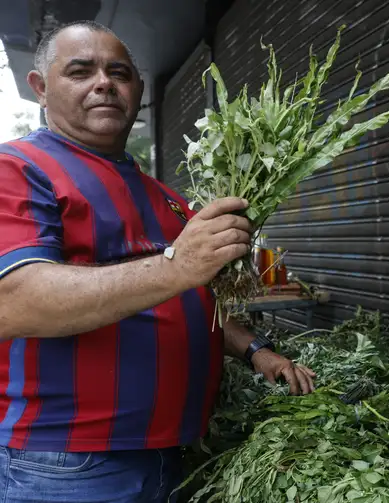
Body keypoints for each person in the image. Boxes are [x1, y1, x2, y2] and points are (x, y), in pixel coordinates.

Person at [0, 20, 316, 502]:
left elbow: (188, 298)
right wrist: (176, 265)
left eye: (119, 73)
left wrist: (256, 350)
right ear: (40, 88)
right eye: (80, 71)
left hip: (173, 454)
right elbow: (16, 300)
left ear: (139, 90)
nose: (104, 83)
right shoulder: (18, 168)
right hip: (66, 462)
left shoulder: (165, 196)